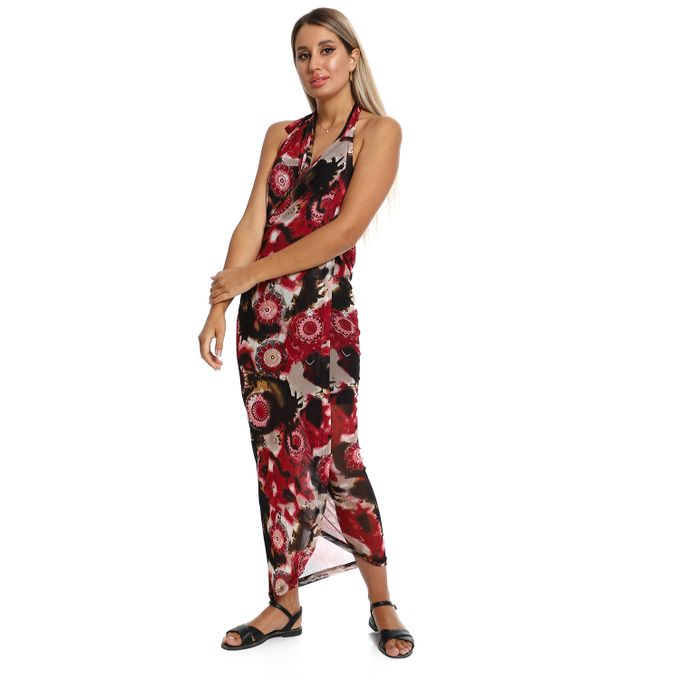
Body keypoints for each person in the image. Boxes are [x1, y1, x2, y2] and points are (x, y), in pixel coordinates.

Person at [198, 8, 414, 659]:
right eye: (302, 54)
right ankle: (284, 601)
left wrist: (250, 274)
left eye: (326, 50)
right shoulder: (279, 135)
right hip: (260, 329)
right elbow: (252, 221)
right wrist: (221, 303)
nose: (314, 64)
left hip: (324, 328)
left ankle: (382, 599)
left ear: (352, 57)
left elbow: (344, 232)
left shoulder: (378, 132)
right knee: (275, 463)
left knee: (339, 459)